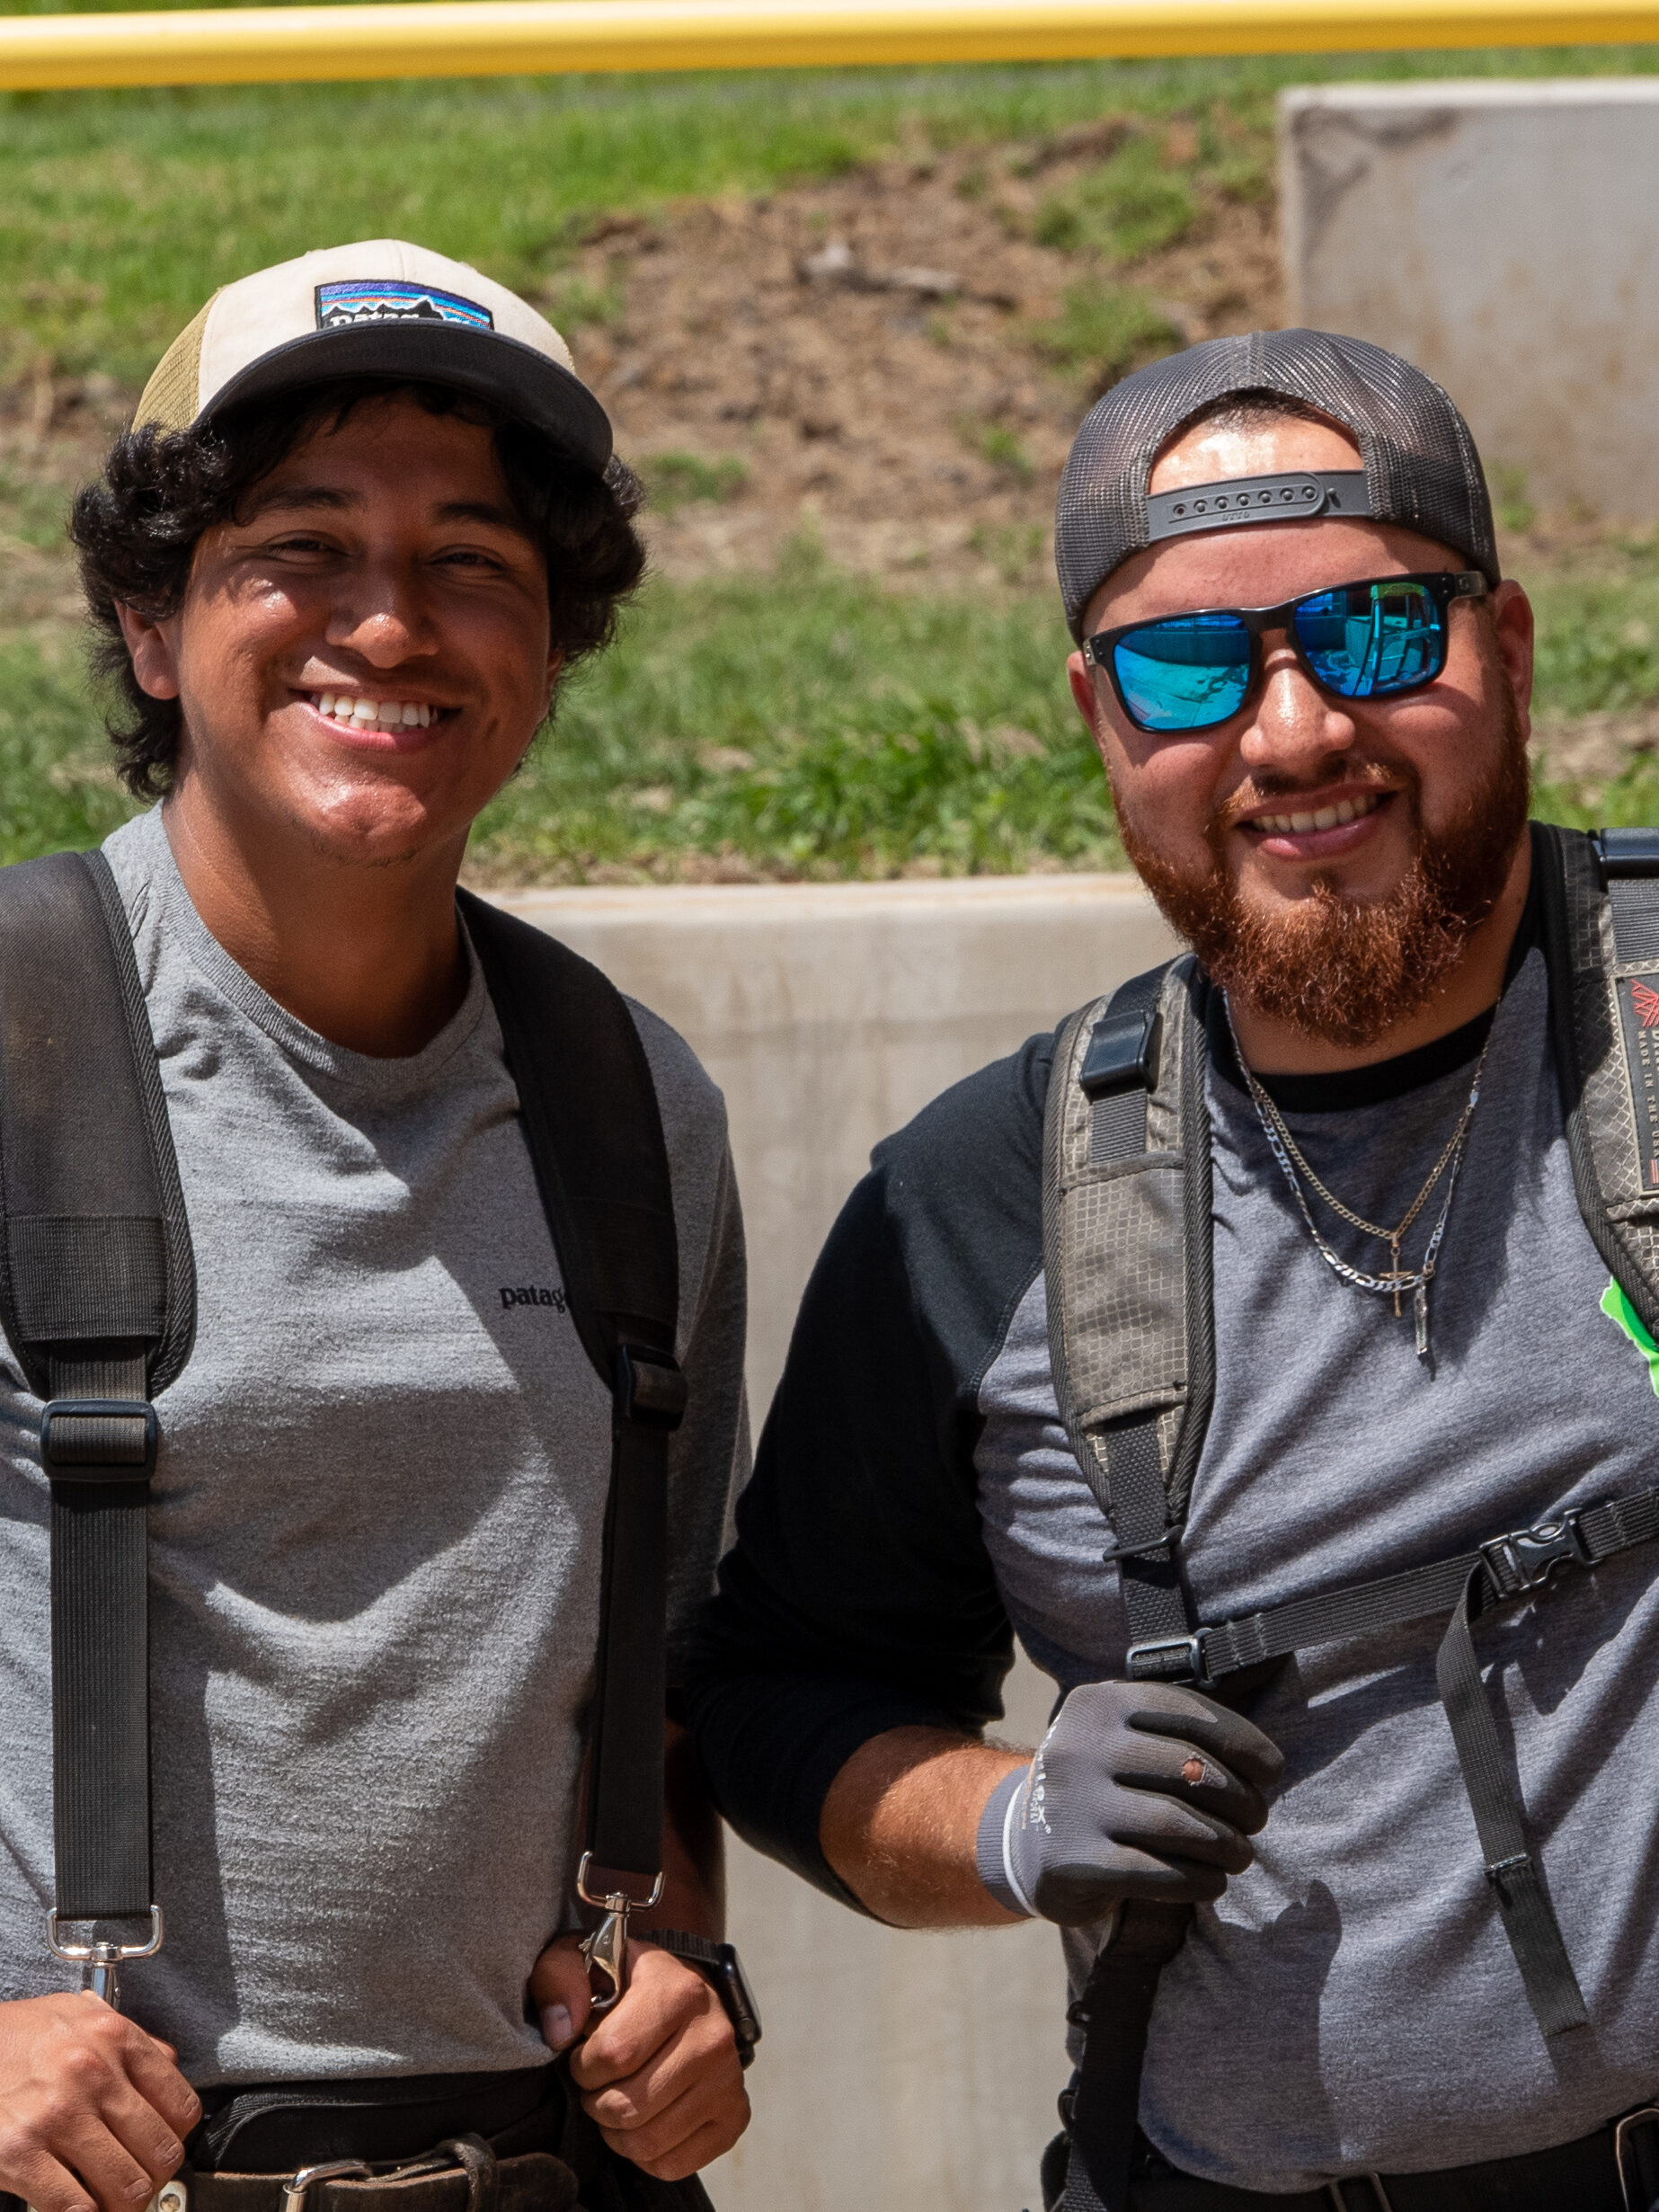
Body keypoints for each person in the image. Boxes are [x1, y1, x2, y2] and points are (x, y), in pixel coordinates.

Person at [688, 329, 1659, 2210]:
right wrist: (1007, 1817)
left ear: (1509, 649)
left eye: (1373, 632)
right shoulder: (974, 1206)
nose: (1292, 731)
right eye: (1187, 665)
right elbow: (777, 1699)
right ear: (1098, 719)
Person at [0, 242, 752, 2212]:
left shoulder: (631, 1105)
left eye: (474, 563)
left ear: (551, 643)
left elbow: (656, 1678)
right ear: (154, 626)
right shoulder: (12, 1045)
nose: (388, 622)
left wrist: (679, 1956)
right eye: (301, 548)